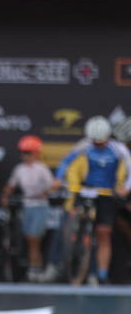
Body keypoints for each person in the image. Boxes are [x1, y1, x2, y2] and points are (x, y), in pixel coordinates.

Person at [53, 115, 131, 284]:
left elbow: (130, 170)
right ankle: (70, 251)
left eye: (100, 141)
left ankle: (101, 276)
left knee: (104, 234)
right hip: (86, 190)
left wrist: (126, 187)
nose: (97, 144)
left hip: (106, 194)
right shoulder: (84, 145)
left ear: (108, 136)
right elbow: (66, 161)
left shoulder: (118, 149)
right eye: (94, 141)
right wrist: (59, 178)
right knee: (71, 218)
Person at [2, 135, 55, 282]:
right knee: (28, 239)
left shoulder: (42, 169)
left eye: (27, 152)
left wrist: (46, 192)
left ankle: (36, 271)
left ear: (34, 154)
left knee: (34, 238)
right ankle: (33, 270)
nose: (24, 156)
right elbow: (10, 185)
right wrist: (5, 195)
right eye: (23, 152)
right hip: (27, 205)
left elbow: (53, 185)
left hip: (40, 206)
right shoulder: (19, 169)